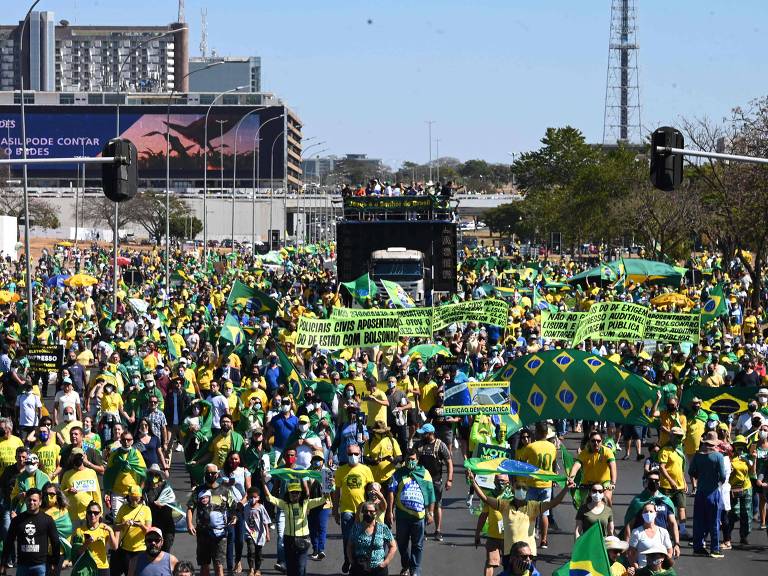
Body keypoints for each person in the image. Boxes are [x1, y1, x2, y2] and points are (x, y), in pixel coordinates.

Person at [470, 470, 568, 562]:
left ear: (527, 492)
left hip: (528, 554)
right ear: (513, 490)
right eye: (518, 488)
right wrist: (473, 482)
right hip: (510, 554)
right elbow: (485, 499)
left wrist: (566, 488)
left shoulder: (534, 506)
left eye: (523, 488)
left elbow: (554, 503)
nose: (521, 490)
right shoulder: (505, 505)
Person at [264, 480, 328, 576]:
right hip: (289, 539)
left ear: (300, 494)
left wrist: (331, 486)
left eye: (297, 492)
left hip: (303, 539)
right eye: (292, 492)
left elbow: (323, 499)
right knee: (290, 568)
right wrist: (263, 481)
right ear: (288, 494)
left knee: (300, 567)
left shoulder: (306, 503)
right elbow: (269, 497)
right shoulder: (284, 504)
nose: (295, 494)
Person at [387, 450, 436, 576]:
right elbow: (391, 491)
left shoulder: (424, 473)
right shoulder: (398, 473)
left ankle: (415, 570)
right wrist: (390, 512)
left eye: (413, 459)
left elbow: (431, 494)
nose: (410, 461)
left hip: (419, 517)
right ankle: (406, 565)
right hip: (402, 516)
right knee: (402, 543)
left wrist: (430, 513)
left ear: (417, 460)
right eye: (408, 459)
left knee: (417, 545)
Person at [186, 464, 238, 576]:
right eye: (208, 473)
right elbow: (190, 508)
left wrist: (234, 517)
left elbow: (233, 507)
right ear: (204, 474)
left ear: (218, 474)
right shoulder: (199, 490)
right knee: (204, 565)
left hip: (220, 535)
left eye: (213, 473)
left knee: (218, 565)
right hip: (203, 534)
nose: (210, 475)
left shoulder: (225, 490)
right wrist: (189, 524)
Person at [333, 444, 374, 574]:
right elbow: (336, 492)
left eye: (356, 454)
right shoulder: (340, 470)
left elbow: (372, 489)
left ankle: (359, 563)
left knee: (362, 538)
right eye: (350, 454)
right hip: (346, 509)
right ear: (346, 454)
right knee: (347, 537)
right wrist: (335, 510)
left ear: (360, 454)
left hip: (363, 510)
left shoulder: (366, 470)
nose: (353, 456)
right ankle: (348, 560)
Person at [0, 489, 60, 576]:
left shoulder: (47, 520)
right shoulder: (17, 520)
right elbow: (8, 542)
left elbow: (55, 542)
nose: (31, 502)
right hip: (22, 566)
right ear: (25, 501)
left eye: (34, 500)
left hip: (41, 567)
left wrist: (55, 563)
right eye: (29, 500)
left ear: (40, 502)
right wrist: (3, 563)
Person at [688, 430, 726, 557]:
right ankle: (714, 548)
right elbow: (723, 475)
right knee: (714, 520)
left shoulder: (698, 456)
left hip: (700, 492)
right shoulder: (718, 457)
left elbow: (691, 471)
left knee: (698, 520)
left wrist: (701, 476)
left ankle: (698, 546)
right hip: (713, 492)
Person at [520, 423, 557, 549]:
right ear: (546, 433)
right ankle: (544, 539)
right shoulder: (552, 447)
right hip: (547, 483)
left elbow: (522, 463)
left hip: (533, 483)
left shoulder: (531, 447)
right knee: (544, 513)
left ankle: (529, 537)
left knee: (531, 513)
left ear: (536, 432)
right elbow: (553, 462)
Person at [414, 423, 452, 541]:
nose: (421, 436)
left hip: (436, 480)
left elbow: (449, 462)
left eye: (424, 434)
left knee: (437, 505)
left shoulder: (440, 445)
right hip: (421, 480)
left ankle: (438, 530)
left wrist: (449, 479)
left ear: (430, 434)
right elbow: (411, 459)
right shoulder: (419, 444)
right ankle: (422, 530)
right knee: (421, 504)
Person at [346, 500, 397, 576]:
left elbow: (393, 546)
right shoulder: (356, 527)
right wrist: (351, 561)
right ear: (362, 512)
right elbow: (349, 545)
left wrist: (385, 563)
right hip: (359, 568)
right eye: (366, 511)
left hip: (378, 569)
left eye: (371, 511)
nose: (368, 514)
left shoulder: (383, 528)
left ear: (376, 512)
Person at [567, 430, 617, 505]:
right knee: (582, 504)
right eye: (593, 441)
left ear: (601, 441)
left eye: (598, 441)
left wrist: (612, 483)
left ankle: (609, 515)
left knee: (607, 498)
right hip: (588, 484)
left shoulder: (607, 452)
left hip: (604, 483)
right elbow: (576, 466)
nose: (596, 443)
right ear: (589, 442)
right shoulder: (584, 453)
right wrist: (571, 479)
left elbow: (613, 467)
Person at [113, 485, 153, 576]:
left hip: (141, 549)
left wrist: (140, 525)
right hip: (126, 550)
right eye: (132, 498)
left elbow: (149, 531)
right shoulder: (123, 508)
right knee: (129, 574)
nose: (134, 501)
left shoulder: (146, 509)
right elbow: (115, 527)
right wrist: (123, 525)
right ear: (128, 497)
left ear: (141, 497)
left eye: (136, 498)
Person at [657, 427, 688, 540]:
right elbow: (662, 467)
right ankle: (666, 531)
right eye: (677, 436)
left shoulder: (679, 451)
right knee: (667, 508)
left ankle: (683, 530)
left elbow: (680, 469)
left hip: (679, 485)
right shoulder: (665, 450)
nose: (679, 439)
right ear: (671, 436)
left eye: (681, 437)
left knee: (681, 507)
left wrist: (684, 481)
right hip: (666, 485)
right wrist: (671, 481)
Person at [723, 434, 753, 548]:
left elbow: (752, 472)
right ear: (734, 446)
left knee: (746, 513)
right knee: (734, 513)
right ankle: (728, 536)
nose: (740, 447)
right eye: (738, 445)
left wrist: (752, 459)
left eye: (742, 445)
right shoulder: (729, 457)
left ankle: (744, 536)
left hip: (746, 487)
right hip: (733, 489)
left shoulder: (747, 457)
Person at [72, 500, 117, 576]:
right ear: (86, 514)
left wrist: (111, 532)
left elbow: (115, 547)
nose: (92, 515)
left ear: (100, 514)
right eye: (90, 512)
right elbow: (77, 553)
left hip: (102, 567)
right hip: (86, 568)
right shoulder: (79, 531)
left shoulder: (105, 528)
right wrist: (86, 544)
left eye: (96, 513)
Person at [475, 474, 508, 576]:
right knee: (490, 563)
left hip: (509, 538)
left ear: (508, 483)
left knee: (509, 565)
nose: (499, 483)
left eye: (502, 481)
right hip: (493, 536)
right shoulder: (490, 496)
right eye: (497, 481)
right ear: (494, 482)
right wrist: (477, 533)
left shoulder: (513, 497)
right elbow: (483, 516)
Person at [61, 447, 102, 524]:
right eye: (75, 457)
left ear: (84, 457)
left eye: (79, 456)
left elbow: (97, 494)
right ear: (71, 458)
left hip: (89, 515)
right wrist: (68, 491)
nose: (77, 459)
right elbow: (60, 493)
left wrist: (100, 513)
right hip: (72, 516)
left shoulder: (91, 472)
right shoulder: (67, 474)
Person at [627, 503, 674, 568]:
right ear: (642, 514)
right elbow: (631, 553)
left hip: (659, 571)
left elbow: (670, 551)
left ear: (656, 514)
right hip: (643, 569)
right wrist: (636, 567)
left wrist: (662, 565)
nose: (648, 513)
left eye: (651, 511)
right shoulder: (636, 532)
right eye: (646, 511)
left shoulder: (663, 532)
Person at [143, 465, 177, 552]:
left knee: (165, 551)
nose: (153, 477)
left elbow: (172, 500)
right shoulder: (145, 490)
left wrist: (163, 503)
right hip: (153, 525)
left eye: (156, 475)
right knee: (152, 551)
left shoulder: (166, 488)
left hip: (166, 525)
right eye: (151, 474)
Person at [242, 485, 271, 576]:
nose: (252, 499)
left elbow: (266, 521)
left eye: (255, 497)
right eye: (251, 497)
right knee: (251, 551)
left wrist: (267, 534)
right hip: (249, 532)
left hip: (259, 533)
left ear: (258, 498)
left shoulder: (261, 508)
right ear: (248, 497)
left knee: (258, 553)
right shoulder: (246, 507)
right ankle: (251, 569)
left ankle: (257, 569)